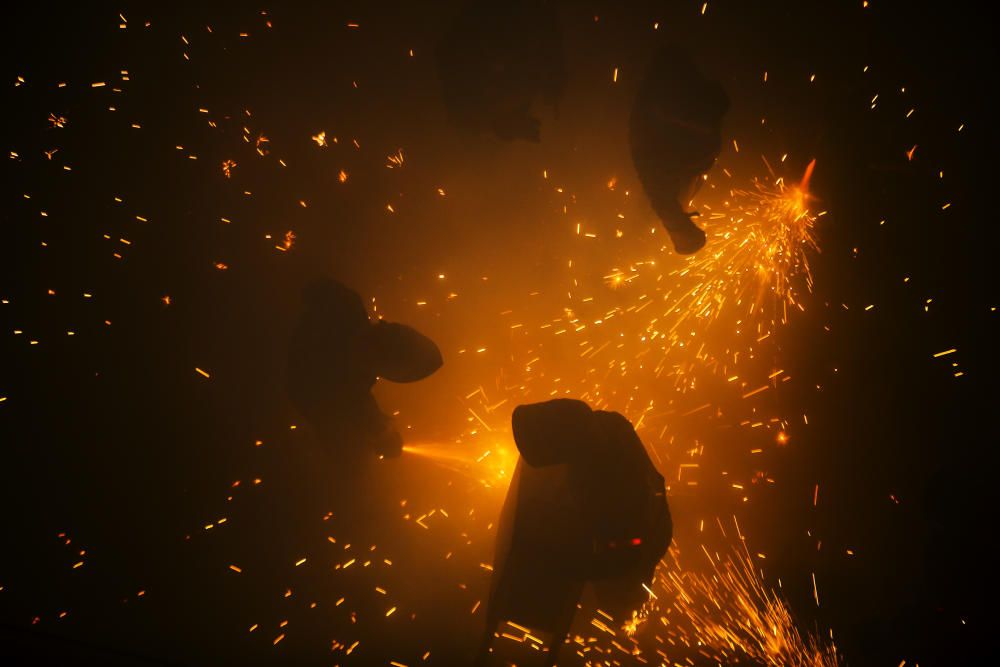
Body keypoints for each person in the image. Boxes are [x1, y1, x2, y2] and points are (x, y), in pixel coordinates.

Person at [476, 399, 671, 666]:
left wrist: (569, 566)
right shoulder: (594, 430)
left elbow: (620, 555)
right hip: (621, 540)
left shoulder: (619, 497)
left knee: (614, 621)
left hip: (632, 543)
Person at [286, 278, 443, 461]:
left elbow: (359, 412)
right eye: (397, 334)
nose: (386, 327)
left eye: (393, 344)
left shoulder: (346, 304)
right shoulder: (344, 304)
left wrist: (381, 433)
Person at [629, 44, 730, 255]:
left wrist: (683, 232)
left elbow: (662, 201)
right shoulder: (659, 134)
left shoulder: (658, 164)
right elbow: (661, 198)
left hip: (672, 137)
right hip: (668, 141)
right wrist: (681, 230)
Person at [435, 0, 567, 142]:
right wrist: (498, 127)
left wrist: (554, 88)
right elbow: (457, 117)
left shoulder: (536, 26)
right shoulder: (459, 53)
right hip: (482, 142)